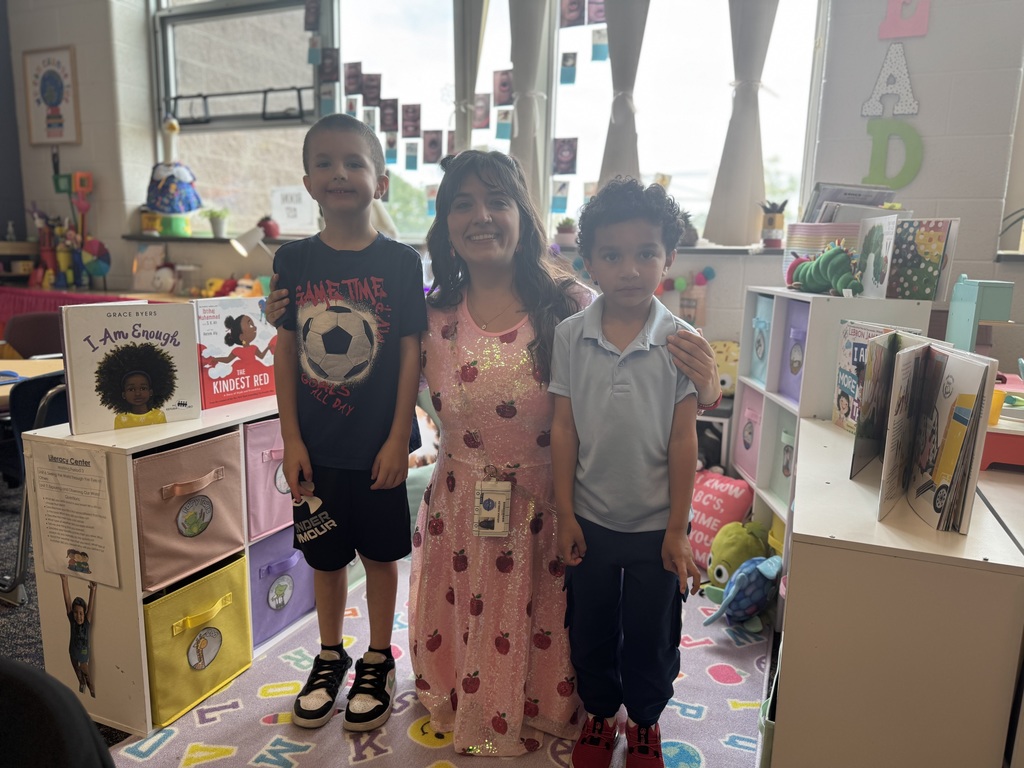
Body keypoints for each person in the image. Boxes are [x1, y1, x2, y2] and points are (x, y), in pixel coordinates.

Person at [263, 153, 723, 756]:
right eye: (464, 203)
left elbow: (641, 383)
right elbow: (355, 364)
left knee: (603, 628)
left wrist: (708, 383)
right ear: (446, 223)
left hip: (551, 508)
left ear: (522, 215)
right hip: (459, 505)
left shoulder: (574, 304)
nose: (481, 216)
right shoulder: (426, 314)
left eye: (498, 201)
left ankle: (595, 708)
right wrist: (288, 319)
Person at [273, 112, 427, 733]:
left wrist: (398, 437)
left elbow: (412, 351)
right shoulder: (293, 260)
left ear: (381, 181)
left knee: (383, 556)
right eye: (326, 164)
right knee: (325, 559)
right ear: (308, 182)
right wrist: (289, 439)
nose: (340, 174)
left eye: (355, 163)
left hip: (379, 449)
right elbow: (285, 349)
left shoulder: (400, 262)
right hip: (316, 446)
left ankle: (378, 658)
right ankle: (330, 654)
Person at [550, 178, 703, 768]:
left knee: (650, 633)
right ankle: (598, 713)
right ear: (589, 261)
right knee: (588, 626)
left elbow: (683, 437)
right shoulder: (570, 335)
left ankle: (643, 720)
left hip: (654, 528)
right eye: (612, 255)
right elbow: (563, 429)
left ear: (668, 258)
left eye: (646, 253)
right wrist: (565, 512)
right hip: (589, 517)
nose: (630, 269)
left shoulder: (681, 343)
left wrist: (677, 528)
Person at [94, 342, 176, 430]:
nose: (137, 393)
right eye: (131, 389)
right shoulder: (121, 419)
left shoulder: (158, 415)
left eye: (143, 388)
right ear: (123, 394)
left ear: (151, 392)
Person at [61, 574, 96, 697]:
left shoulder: (86, 622)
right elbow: (67, 600)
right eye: (75, 612)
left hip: (83, 654)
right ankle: (81, 683)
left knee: (86, 674)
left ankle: (91, 688)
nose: (78, 616)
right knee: (77, 671)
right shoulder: (72, 620)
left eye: (81, 613)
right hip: (73, 651)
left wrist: (93, 590)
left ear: (84, 613)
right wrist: (64, 580)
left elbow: (90, 607)